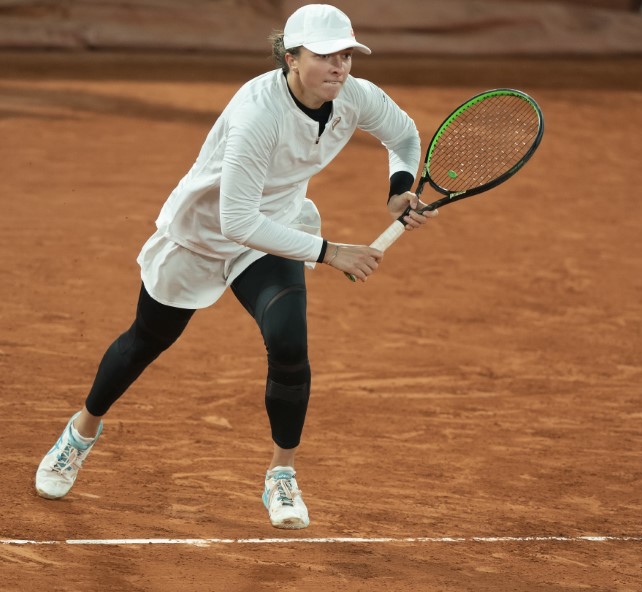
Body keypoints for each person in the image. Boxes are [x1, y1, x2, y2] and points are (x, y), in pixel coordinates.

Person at [34, 3, 437, 530]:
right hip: (203, 234)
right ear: (291, 58)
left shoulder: (354, 97)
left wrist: (398, 189)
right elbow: (236, 220)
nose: (339, 67)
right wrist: (330, 251)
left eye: (346, 55)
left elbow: (403, 134)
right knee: (146, 341)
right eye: (324, 56)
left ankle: (281, 476)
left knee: (290, 342)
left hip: (273, 233)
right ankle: (81, 432)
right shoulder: (258, 111)